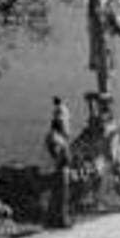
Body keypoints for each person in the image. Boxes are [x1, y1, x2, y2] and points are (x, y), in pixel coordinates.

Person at [44, 96, 72, 227]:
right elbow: (56, 154)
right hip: (60, 170)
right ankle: (60, 220)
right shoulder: (57, 138)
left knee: (59, 197)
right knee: (60, 197)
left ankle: (55, 220)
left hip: (60, 170)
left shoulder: (57, 137)